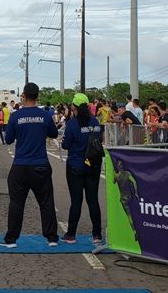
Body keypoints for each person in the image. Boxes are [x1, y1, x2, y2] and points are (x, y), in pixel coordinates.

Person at [1, 82, 59, 248]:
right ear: (38, 96)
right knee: (46, 202)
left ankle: (11, 239)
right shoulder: (45, 115)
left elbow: (9, 139)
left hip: (20, 165)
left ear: (23, 96)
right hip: (40, 164)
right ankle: (52, 238)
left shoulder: (15, 116)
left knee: (16, 203)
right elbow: (53, 133)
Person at [61, 93, 103, 245]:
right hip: (93, 165)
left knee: (76, 201)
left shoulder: (72, 124)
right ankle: (97, 235)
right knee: (93, 200)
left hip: (76, 165)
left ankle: (71, 235)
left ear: (74, 107)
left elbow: (65, 145)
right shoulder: (95, 122)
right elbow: (100, 139)